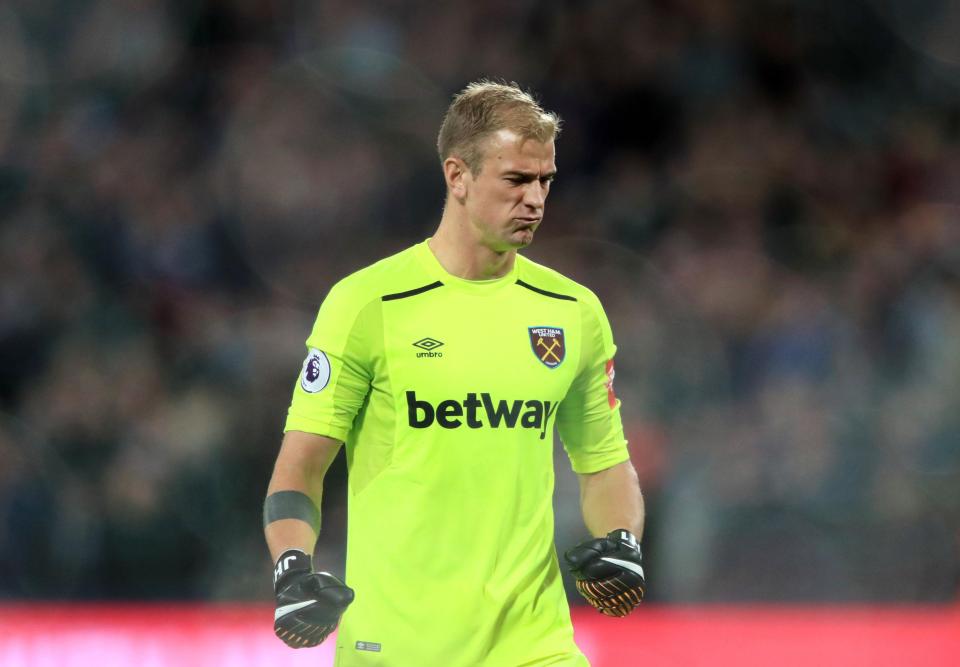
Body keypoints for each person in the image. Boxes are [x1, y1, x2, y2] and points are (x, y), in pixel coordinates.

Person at [263, 80, 646, 666]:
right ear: (457, 176)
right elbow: (299, 469)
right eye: (516, 180)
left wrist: (622, 543)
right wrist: (292, 570)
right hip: (395, 646)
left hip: (534, 646)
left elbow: (605, 464)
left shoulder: (573, 312)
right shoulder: (367, 304)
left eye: (545, 180)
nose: (536, 200)